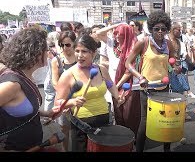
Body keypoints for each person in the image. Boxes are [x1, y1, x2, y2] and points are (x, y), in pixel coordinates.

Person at [54, 34, 121, 152]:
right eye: (77, 51)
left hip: (104, 119)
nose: (80, 55)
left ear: (94, 53)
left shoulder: (101, 70)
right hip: (81, 124)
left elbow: (110, 84)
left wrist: (117, 96)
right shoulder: (68, 75)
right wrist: (72, 101)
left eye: (84, 51)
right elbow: (58, 103)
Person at [0, 27, 60, 151]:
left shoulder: (28, 76)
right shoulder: (11, 84)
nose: (49, 52)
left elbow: (19, 110)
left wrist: (45, 113)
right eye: (46, 49)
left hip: (33, 145)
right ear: (36, 53)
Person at [125, 10, 175, 152]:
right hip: (147, 89)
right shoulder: (143, 42)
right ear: (151, 28)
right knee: (145, 123)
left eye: (163, 29)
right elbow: (128, 63)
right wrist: (140, 77)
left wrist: (175, 66)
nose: (160, 31)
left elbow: (172, 60)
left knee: (166, 121)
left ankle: (167, 150)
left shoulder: (168, 44)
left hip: (164, 88)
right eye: (156, 29)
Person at [50, 30, 77, 151]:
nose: (64, 48)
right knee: (64, 130)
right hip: (63, 101)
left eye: (68, 44)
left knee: (79, 129)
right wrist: (64, 99)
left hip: (79, 98)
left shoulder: (79, 57)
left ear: (74, 43)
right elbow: (55, 82)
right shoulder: (57, 60)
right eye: (62, 45)